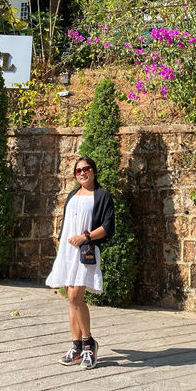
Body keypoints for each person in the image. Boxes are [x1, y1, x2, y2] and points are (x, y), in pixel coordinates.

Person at [45, 156, 115, 370]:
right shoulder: (72, 195)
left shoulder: (102, 196)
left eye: (86, 169)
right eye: (78, 171)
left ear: (94, 171)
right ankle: (76, 346)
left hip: (85, 250)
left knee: (76, 296)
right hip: (67, 251)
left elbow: (107, 226)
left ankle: (89, 344)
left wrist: (85, 237)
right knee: (71, 298)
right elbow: (67, 223)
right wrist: (60, 244)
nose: (82, 173)